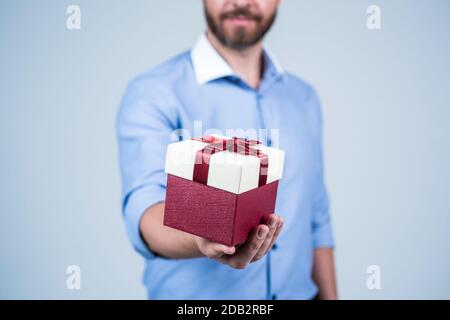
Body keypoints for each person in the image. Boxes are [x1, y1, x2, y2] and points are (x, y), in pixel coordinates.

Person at [117, 0, 337, 300]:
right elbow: (144, 214)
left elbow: (317, 219)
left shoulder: (304, 98)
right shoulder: (154, 92)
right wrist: (201, 238)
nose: (242, 2)